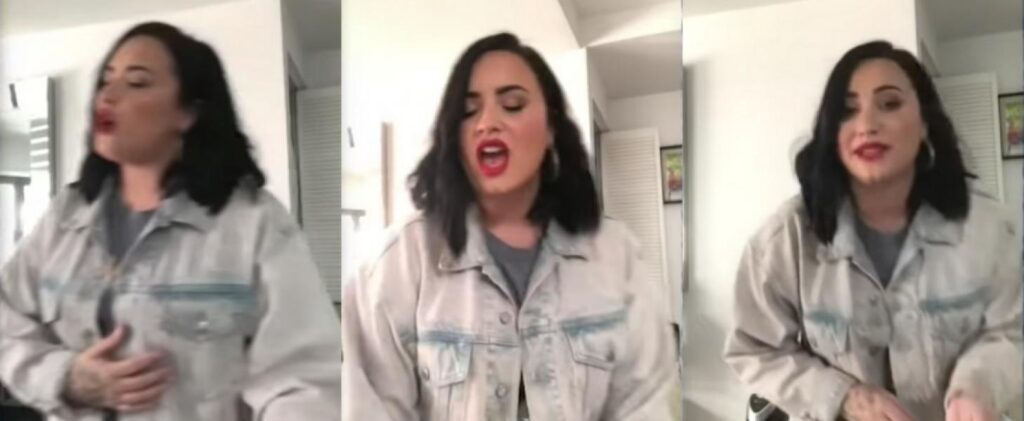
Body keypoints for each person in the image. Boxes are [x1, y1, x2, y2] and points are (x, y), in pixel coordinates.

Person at [0, 22, 341, 420]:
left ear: (188, 113)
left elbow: (305, 384)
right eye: (106, 80)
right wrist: (65, 377)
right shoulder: (64, 216)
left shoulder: (254, 222)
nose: (107, 95)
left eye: (137, 83)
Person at [341, 32, 679, 420]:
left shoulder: (616, 254)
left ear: (550, 127)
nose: (487, 123)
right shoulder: (399, 261)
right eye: (469, 111)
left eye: (513, 104)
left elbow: (646, 401)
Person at [724, 40, 1023, 421]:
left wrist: (977, 386)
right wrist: (843, 397)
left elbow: (1013, 330)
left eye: (890, 103)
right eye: (848, 111)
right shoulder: (785, 240)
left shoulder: (991, 227)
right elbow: (752, 349)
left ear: (925, 123)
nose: (867, 125)